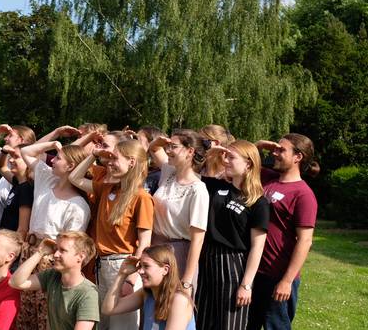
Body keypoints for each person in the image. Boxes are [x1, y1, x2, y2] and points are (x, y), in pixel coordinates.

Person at [69, 139, 154, 330]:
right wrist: (94, 154)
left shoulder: (141, 197)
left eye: (115, 158)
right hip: (102, 265)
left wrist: (131, 279)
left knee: (122, 326)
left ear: (132, 162)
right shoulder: (108, 189)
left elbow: (145, 241)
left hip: (123, 265)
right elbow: (74, 177)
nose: (109, 162)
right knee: (104, 324)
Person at [15, 142, 92, 329]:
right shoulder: (46, 178)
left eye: (58, 158)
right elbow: (25, 151)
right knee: (24, 314)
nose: (52, 161)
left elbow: (72, 244)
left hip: (52, 258)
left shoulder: (78, 205)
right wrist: (54, 141)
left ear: (71, 166)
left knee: (45, 315)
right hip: (30, 251)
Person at [248, 134, 319, 330]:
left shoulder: (303, 194)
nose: (275, 153)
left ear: (298, 157)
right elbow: (244, 161)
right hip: (253, 271)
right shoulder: (267, 178)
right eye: (275, 149)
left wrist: (286, 281)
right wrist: (258, 146)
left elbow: (305, 241)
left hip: (277, 277)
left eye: (281, 150)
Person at [196, 140, 270, 330]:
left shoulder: (258, 203)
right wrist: (209, 155)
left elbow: (257, 247)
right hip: (206, 258)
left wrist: (246, 285)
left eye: (231, 157)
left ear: (248, 164)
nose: (226, 161)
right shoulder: (216, 187)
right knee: (202, 318)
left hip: (233, 264)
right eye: (225, 156)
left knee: (229, 323)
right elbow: (189, 174)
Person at [147, 130, 210, 294]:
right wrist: (160, 141)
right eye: (168, 146)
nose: (168, 150)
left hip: (178, 254)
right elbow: (153, 149)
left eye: (173, 147)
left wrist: (187, 280)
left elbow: (197, 239)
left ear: (190, 151)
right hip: (155, 248)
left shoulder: (198, 190)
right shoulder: (169, 172)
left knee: (172, 308)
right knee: (151, 306)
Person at [9, 231, 99, 330]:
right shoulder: (53, 275)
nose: (55, 254)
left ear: (80, 257)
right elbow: (15, 282)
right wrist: (40, 253)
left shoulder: (88, 293)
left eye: (62, 250)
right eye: (56, 249)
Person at [101, 245, 196, 330]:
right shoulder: (146, 293)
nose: (140, 271)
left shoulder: (179, 301)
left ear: (165, 270)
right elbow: (108, 309)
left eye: (146, 266)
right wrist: (122, 274)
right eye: (140, 266)